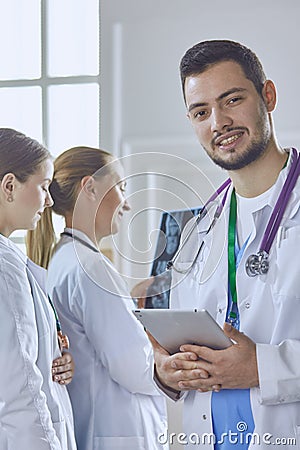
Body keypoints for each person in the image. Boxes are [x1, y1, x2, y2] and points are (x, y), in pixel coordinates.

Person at [151, 40, 300, 449]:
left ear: (267, 96)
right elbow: (177, 346)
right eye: (201, 112)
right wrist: (166, 370)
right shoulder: (199, 231)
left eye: (232, 100)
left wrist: (264, 368)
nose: (219, 122)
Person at [27, 146, 168, 450]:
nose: (126, 204)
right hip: (118, 433)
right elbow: (135, 369)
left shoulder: (66, 259)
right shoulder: (92, 268)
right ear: (90, 187)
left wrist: (128, 304)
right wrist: (170, 347)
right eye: (120, 188)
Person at [0, 128, 77, 450]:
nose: (48, 201)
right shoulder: (5, 269)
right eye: (43, 187)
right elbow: (20, 390)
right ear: (9, 186)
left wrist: (54, 354)